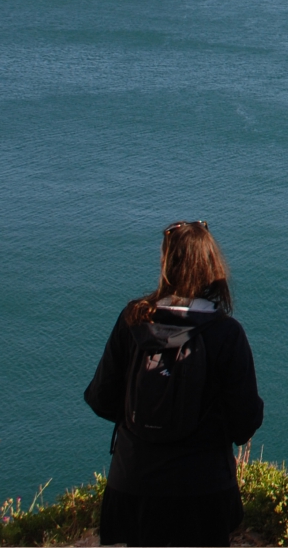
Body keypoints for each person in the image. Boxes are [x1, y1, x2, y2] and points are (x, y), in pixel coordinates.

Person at [84, 220, 263, 548]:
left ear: (166, 264)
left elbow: (100, 397)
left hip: (133, 482)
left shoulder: (133, 321)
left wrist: (147, 420)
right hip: (202, 489)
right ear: (212, 265)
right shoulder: (226, 334)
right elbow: (244, 422)